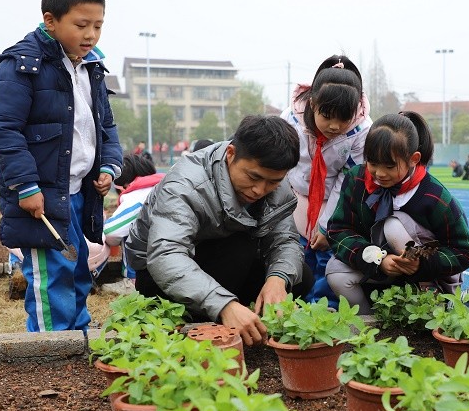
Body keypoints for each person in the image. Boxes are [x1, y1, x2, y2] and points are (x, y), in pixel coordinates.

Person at [0, 0, 122, 333]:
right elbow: (4, 130)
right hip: (42, 199)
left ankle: (78, 338)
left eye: (98, 25)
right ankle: (53, 351)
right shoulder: (22, 66)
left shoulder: (92, 66)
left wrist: (109, 164)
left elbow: (106, 126)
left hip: (80, 193)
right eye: (81, 25)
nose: (91, 35)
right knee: (52, 279)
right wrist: (27, 187)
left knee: (79, 270)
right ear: (51, 20)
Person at [125, 115, 312, 346]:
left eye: (273, 181)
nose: (260, 190)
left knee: (299, 276)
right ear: (231, 154)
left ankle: (240, 317)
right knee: (240, 247)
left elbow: (284, 241)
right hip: (158, 277)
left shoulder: (276, 184)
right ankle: (214, 319)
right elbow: (166, 255)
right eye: (253, 177)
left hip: (223, 265)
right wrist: (224, 304)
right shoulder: (186, 184)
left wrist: (277, 280)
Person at [325, 112, 469, 315]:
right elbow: (339, 230)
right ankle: (367, 323)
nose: (379, 174)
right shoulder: (356, 180)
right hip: (381, 265)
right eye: (373, 163)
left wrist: (421, 264)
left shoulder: (434, 195)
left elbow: (464, 252)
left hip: (426, 272)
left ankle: (433, 301)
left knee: (393, 225)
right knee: (335, 272)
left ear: (414, 159)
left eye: (389, 166)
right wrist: (378, 260)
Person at [281, 54, 372, 307]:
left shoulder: (362, 131)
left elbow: (347, 180)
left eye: (343, 118)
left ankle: (323, 309)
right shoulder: (290, 119)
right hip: (295, 194)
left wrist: (324, 226)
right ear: (312, 103)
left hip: (334, 199)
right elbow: (280, 162)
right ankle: (294, 306)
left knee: (326, 252)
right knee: (297, 252)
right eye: (327, 115)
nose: (334, 126)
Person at [103, 153, 164, 278]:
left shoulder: (138, 196)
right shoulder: (164, 185)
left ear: (125, 185)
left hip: (146, 273)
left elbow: (111, 232)